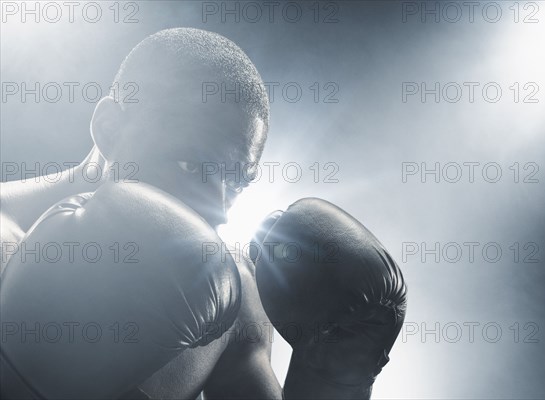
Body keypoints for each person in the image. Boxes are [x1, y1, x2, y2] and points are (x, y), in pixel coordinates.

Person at [0, 28, 406, 399]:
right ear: (109, 127)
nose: (218, 210)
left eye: (238, 181)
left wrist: (336, 375)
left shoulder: (233, 298)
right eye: (191, 167)